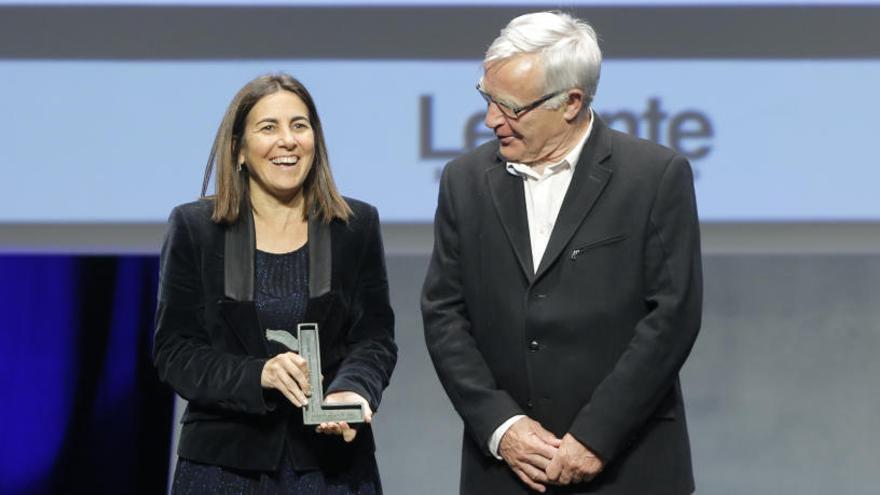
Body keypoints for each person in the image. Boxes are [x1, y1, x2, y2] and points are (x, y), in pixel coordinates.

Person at [422, 11, 702, 495]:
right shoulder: (463, 181)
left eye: (510, 107)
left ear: (571, 102)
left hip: (628, 467)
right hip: (506, 472)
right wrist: (502, 427)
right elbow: (444, 314)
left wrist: (596, 436)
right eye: (487, 99)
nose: (492, 120)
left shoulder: (654, 176)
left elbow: (672, 318)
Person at [154, 73, 397, 494]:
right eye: (269, 128)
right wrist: (259, 375)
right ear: (239, 149)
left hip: (332, 470)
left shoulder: (355, 226)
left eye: (299, 126)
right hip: (222, 469)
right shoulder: (195, 228)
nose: (288, 140)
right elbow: (175, 352)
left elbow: (374, 340)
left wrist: (351, 392)